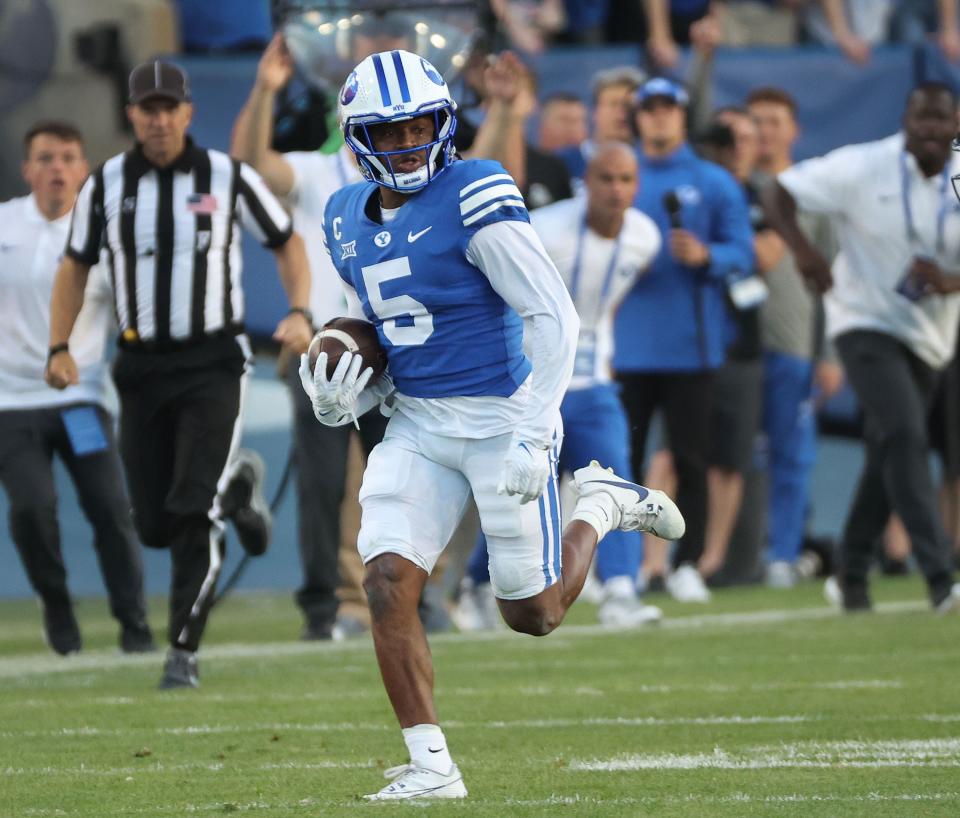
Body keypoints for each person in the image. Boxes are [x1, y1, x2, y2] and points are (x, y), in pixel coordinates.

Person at [300, 49, 685, 800]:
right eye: (390, 131)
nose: (409, 143)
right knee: (384, 579)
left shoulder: (476, 190)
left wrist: (540, 431)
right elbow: (371, 323)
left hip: (503, 417)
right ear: (355, 140)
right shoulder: (343, 216)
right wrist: (342, 389)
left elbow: (554, 316)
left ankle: (600, 505)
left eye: (420, 125)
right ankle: (431, 766)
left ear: (445, 123)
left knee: (532, 613)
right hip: (416, 423)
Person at [45, 60, 314, 687]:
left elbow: (287, 240)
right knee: (155, 523)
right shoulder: (107, 182)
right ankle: (237, 490)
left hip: (213, 361)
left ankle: (182, 652)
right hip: (139, 366)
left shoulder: (226, 175)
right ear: (133, 115)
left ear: (188, 113)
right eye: (148, 108)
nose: (159, 119)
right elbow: (74, 266)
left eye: (170, 107)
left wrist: (300, 310)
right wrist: (58, 345)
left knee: (192, 512)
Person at [763, 82, 960, 612]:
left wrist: (951, 282)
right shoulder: (863, 165)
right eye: (922, 119)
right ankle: (941, 577)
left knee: (888, 449)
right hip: (863, 320)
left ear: (957, 123)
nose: (931, 130)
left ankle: (851, 573)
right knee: (905, 432)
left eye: (942, 120)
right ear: (905, 119)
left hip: (933, 335)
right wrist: (803, 253)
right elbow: (777, 191)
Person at [455, 142, 665, 630]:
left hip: (593, 384)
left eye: (626, 180)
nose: (616, 190)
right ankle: (478, 585)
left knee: (615, 480)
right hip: (533, 384)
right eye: (606, 179)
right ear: (585, 182)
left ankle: (619, 590)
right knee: (522, 490)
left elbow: (606, 298)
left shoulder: (645, 236)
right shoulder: (544, 229)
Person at [231, 33, 390, 641]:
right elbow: (251, 162)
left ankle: (401, 595)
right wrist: (265, 90)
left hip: (394, 352)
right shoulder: (317, 170)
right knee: (323, 485)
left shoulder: (417, 179)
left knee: (397, 479)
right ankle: (323, 606)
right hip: (323, 350)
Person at [0, 121, 154, 656]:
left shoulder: (104, 238)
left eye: (67, 157)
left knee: (111, 507)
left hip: (81, 401)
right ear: (27, 170)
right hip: (12, 405)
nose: (56, 168)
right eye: (44, 158)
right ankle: (57, 607)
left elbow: (135, 312)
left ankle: (134, 625)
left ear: (84, 169)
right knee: (32, 511)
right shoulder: (3, 227)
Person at [615, 77, 754, 604]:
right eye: (648, 110)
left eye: (667, 109)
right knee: (619, 461)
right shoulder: (618, 173)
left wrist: (708, 257)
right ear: (637, 118)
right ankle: (619, 569)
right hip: (625, 345)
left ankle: (688, 564)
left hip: (691, 346)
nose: (658, 118)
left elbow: (741, 250)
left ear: (681, 115)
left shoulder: (714, 181)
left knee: (692, 459)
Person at [746, 86, 843, 588]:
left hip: (793, 343)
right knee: (731, 457)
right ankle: (731, 556)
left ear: (794, 130)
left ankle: (783, 553)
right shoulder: (733, 186)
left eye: (774, 121)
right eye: (755, 121)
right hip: (733, 346)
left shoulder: (813, 195)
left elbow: (832, 277)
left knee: (790, 452)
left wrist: (828, 352)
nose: (764, 131)